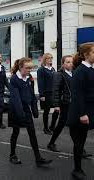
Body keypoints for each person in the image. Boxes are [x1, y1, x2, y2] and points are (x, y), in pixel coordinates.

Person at [8, 57, 52, 166]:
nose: (29, 70)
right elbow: (16, 99)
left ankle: (38, 159)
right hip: (16, 110)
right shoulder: (14, 79)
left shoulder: (29, 78)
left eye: (31, 68)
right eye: (27, 68)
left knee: (32, 133)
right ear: (20, 67)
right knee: (16, 132)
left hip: (26, 109)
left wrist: (34, 109)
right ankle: (12, 155)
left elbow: (32, 95)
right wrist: (21, 114)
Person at [67, 43, 94, 180]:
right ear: (86, 54)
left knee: (81, 143)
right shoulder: (80, 71)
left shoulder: (90, 70)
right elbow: (77, 95)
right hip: (78, 115)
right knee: (78, 144)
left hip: (87, 112)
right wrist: (83, 114)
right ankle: (77, 170)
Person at [47, 55, 74, 152]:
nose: (70, 64)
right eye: (68, 62)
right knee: (62, 124)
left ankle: (79, 148)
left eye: (71, 61)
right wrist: (56, 105)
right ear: (63, 64)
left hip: (73, 103)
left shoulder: (73, 73)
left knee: (74, 125)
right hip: (65, 103)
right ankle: (51, 143)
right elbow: (55, 90)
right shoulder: (59, 74)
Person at [37, 53, 59, 135]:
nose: (50, 59)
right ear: (45, 59)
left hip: (54, 93)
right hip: (46, 93)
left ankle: (52, 126)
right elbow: (40, 83)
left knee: (57, 109)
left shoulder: (52, 69)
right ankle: (45, 128)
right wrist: (41, 95)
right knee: (46, 111)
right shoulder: (41, 70)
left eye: (51, 58)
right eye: (48, 58)